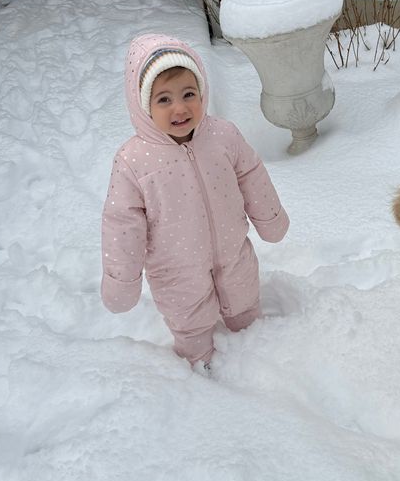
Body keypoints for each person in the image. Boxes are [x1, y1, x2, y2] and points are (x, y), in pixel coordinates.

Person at [101, 33, 289, 369]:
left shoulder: (223, 135)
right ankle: (199, 369)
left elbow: (250, 174)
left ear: (202, 92)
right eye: (164, 99)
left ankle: (255, 348)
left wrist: (270, 218)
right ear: (143, 106)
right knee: (189, 321)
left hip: (233, 249)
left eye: (189, 94)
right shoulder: (134, 161)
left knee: (244, 298)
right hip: (176, 268)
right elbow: (122, 223)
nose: (180, 108)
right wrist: (122, 281)